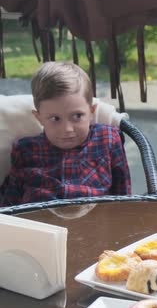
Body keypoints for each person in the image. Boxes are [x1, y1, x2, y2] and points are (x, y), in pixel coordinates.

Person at [0, 62, 131, 206]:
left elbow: (124, 197)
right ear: (39, 118)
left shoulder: (108, 139)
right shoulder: (25, 149)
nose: (67, 129)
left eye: (77, 116)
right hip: (41, 223)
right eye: (55, 119)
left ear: (92, 111)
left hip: (94, 223)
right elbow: (9, 202)